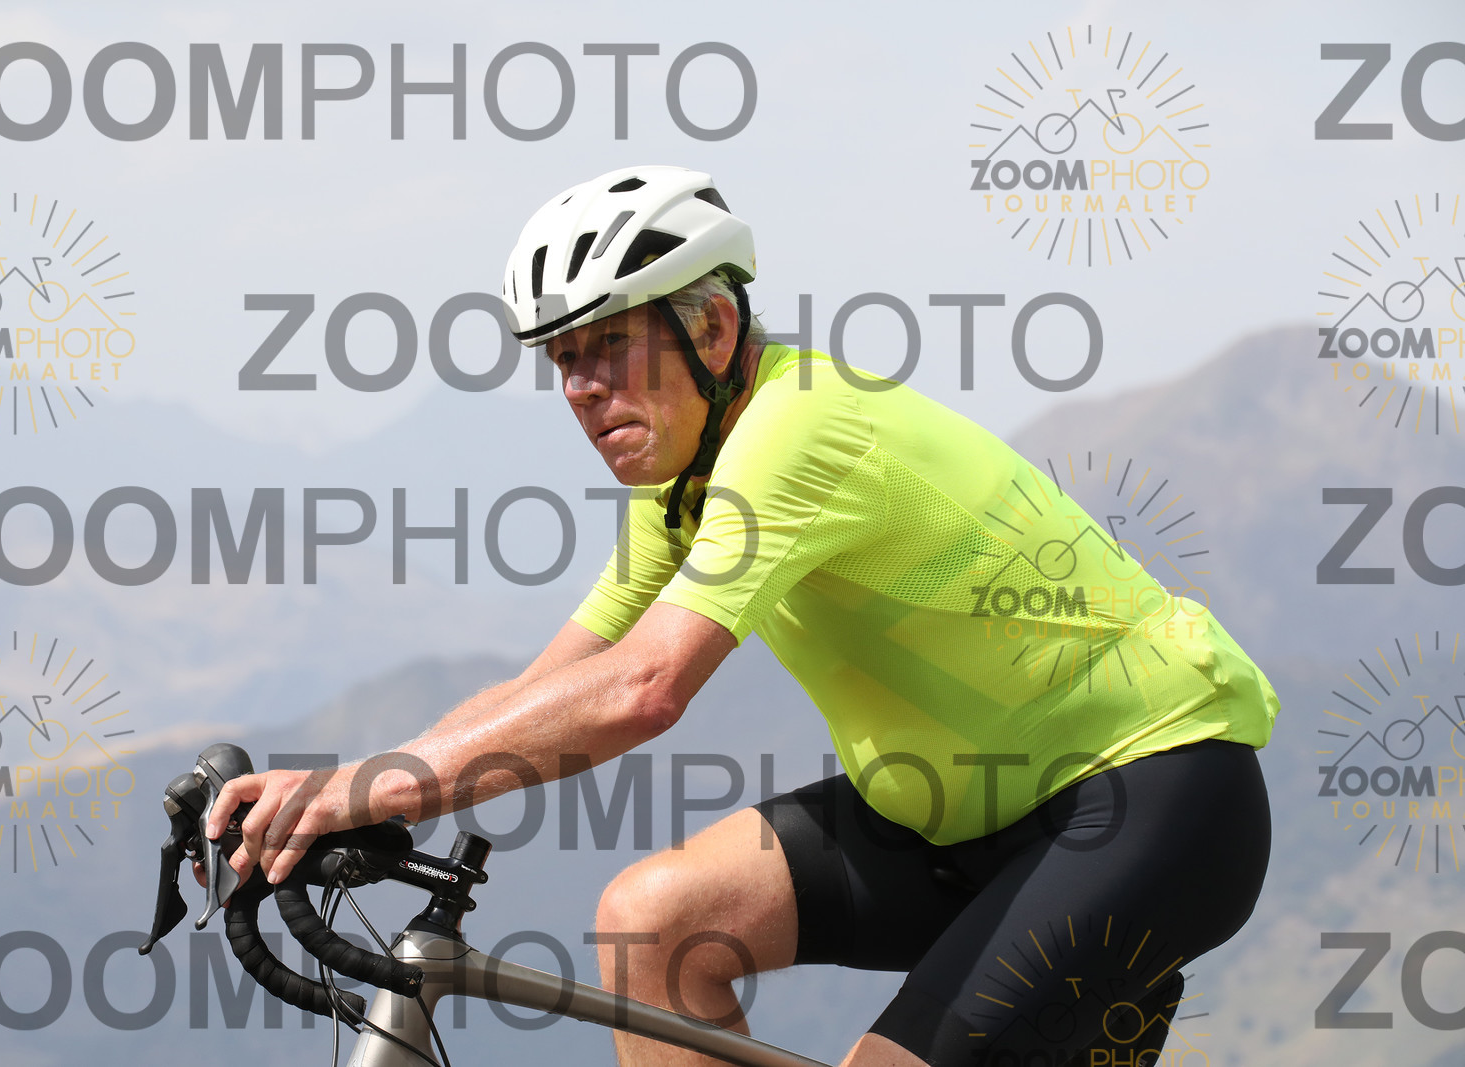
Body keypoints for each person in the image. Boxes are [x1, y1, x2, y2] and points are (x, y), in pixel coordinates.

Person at [206, 165, 1276, 1065]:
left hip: (1144, 797)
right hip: (956, 818)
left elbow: (643, 687)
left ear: (712, 327)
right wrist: (340, 789)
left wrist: (372, 785)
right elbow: (552, 685)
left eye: (609, 346)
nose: (581, 387)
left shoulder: (802, 427)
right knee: (652, 924)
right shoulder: (684, 477)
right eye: (564, 360)